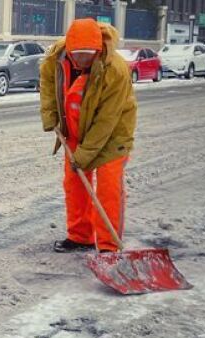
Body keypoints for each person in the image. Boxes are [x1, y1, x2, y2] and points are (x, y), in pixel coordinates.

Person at [39, 19, 137, 253]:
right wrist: (50, 115)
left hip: (113, 133)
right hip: (74, 127)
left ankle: (108, 246)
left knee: (108, 186)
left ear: (98, 49)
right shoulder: (56, 59)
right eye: (78, 54)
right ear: (69, 49)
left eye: (89, 54)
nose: (83, 59)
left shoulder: (115, 69)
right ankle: (80, 236)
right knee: (74, 183)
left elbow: (106, 120)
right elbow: (48, 84)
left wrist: (84, 155)